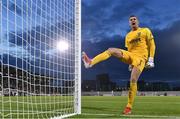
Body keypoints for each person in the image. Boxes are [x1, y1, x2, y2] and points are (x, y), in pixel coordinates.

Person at [82, 15, 156, 115]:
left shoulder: (145, 30)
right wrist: (130, 63)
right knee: (110, 50)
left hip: (141, 58)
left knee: (133, 80)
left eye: (134, 19)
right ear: (129, 23)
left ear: (138, 21)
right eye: (131, 20)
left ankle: (129, 107)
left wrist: (151, 58)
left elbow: (152, 45)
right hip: (131, 55)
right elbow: (129, 50)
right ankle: (90, 63)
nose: (133, 21)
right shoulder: (128, 36)